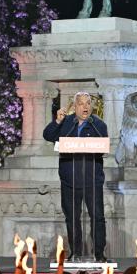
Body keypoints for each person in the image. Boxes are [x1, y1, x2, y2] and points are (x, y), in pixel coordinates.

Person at [43, 91, 108, 262]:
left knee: (98, 218)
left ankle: (99, 255)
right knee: (72, 218)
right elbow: (48, 135)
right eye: (81, 103)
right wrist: (57, 121)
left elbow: (103, 144)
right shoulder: (66, 123)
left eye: (88, 103)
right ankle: (76, 253)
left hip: (92, 180)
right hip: (69, 180)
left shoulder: (98, 125)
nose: (85, 106)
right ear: (75, 106)